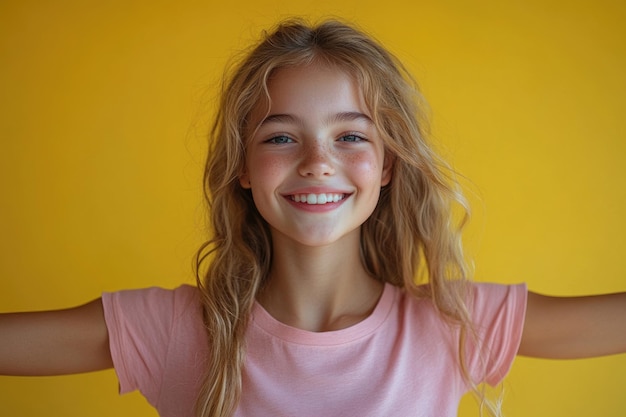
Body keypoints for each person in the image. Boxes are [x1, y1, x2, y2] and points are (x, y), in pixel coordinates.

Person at [0, 18, 625, 417]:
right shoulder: (175, 331)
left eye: (351, 137)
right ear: (242, 167)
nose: (317, 163)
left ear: (386, 166)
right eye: (279, 138)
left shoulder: (451, 324)